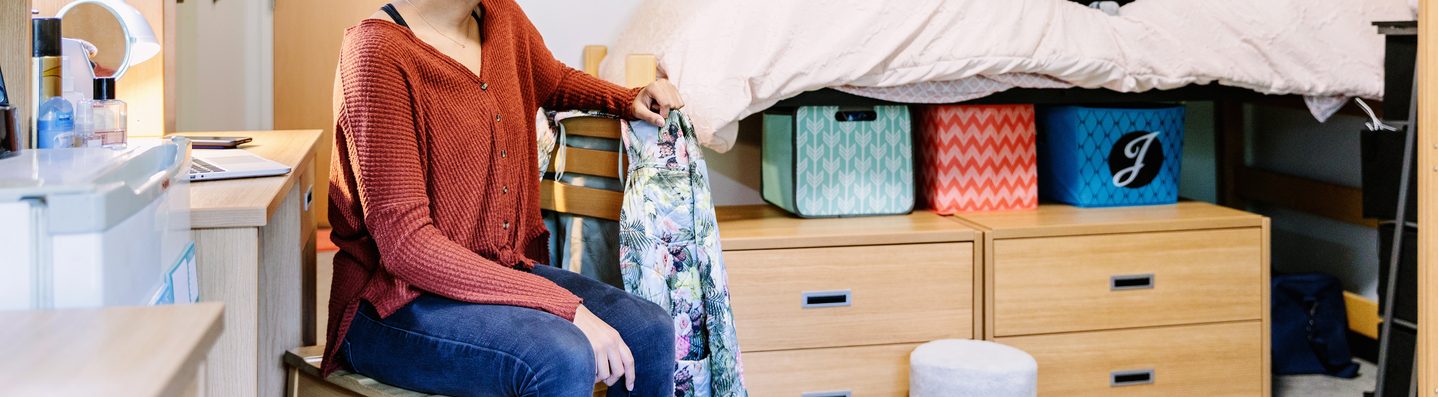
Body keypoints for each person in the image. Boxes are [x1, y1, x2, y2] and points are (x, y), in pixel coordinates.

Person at [322, 0, 685, 395]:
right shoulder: (375, 53)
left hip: (497, 272)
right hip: (391, 305)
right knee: (562, 355)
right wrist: (564, 306)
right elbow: (408, 247)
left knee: (650, 332)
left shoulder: (501, 17)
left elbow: (554, 80)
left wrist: (626, 98)